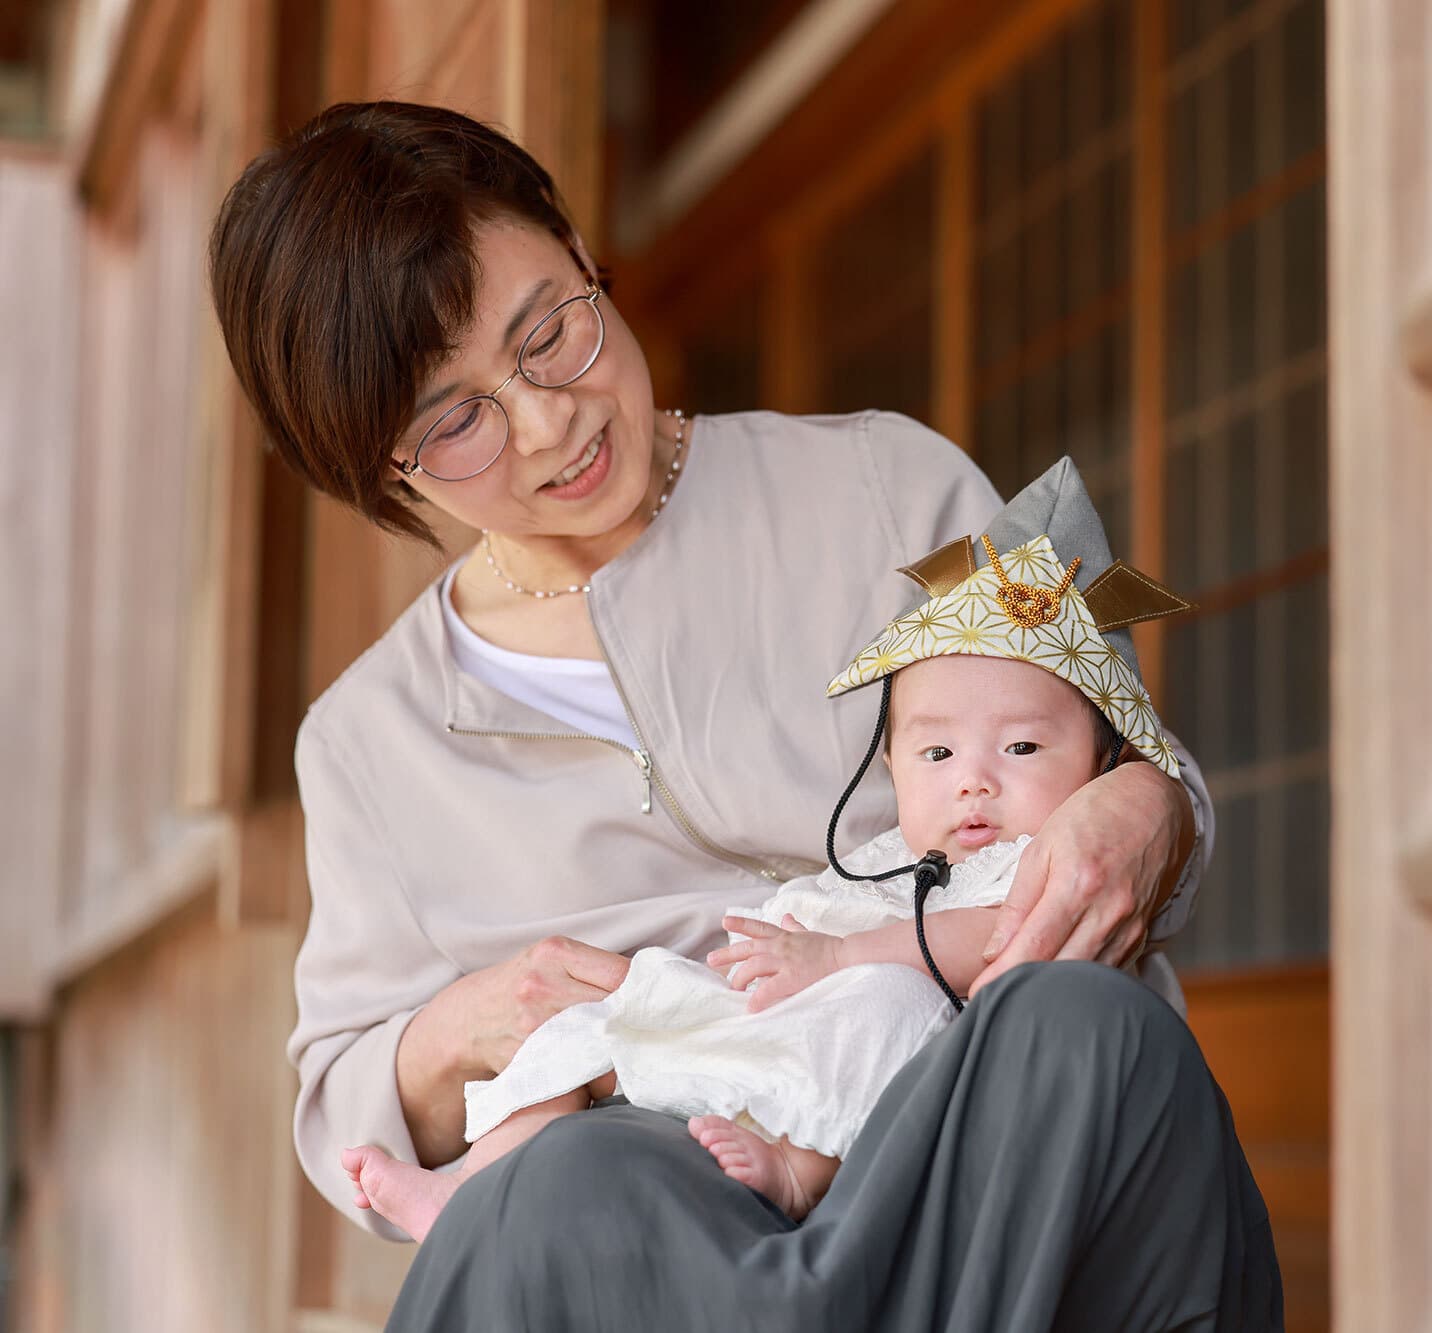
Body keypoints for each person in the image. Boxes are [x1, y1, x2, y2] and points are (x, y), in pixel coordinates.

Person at [210, 99, 1280, 1329]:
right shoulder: (371, 740)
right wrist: (461, 1026)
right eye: (454, 419)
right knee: (572, 1183)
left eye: (549, 329)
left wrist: (1146, 803)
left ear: (576, 247)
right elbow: (342, 1098)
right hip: (668, 1220)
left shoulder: (884, 483)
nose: (549, 419)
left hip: (980, 1139)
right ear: (376, 469)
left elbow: (1113, 749)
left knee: (1082, 1024)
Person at [341, 487, 1199, 1239]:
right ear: (890, 764)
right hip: (768, 1009)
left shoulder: (1025, 860)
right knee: (595, 1021)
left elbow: (985, 939)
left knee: (882, 1003)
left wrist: (836, 956)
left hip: (901, 1053)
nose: (975, 781)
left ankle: (798, 1170)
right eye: (935, 754)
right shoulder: (889, 856)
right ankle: (466, 1188)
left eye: (1020, 745)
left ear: (1100, 761)